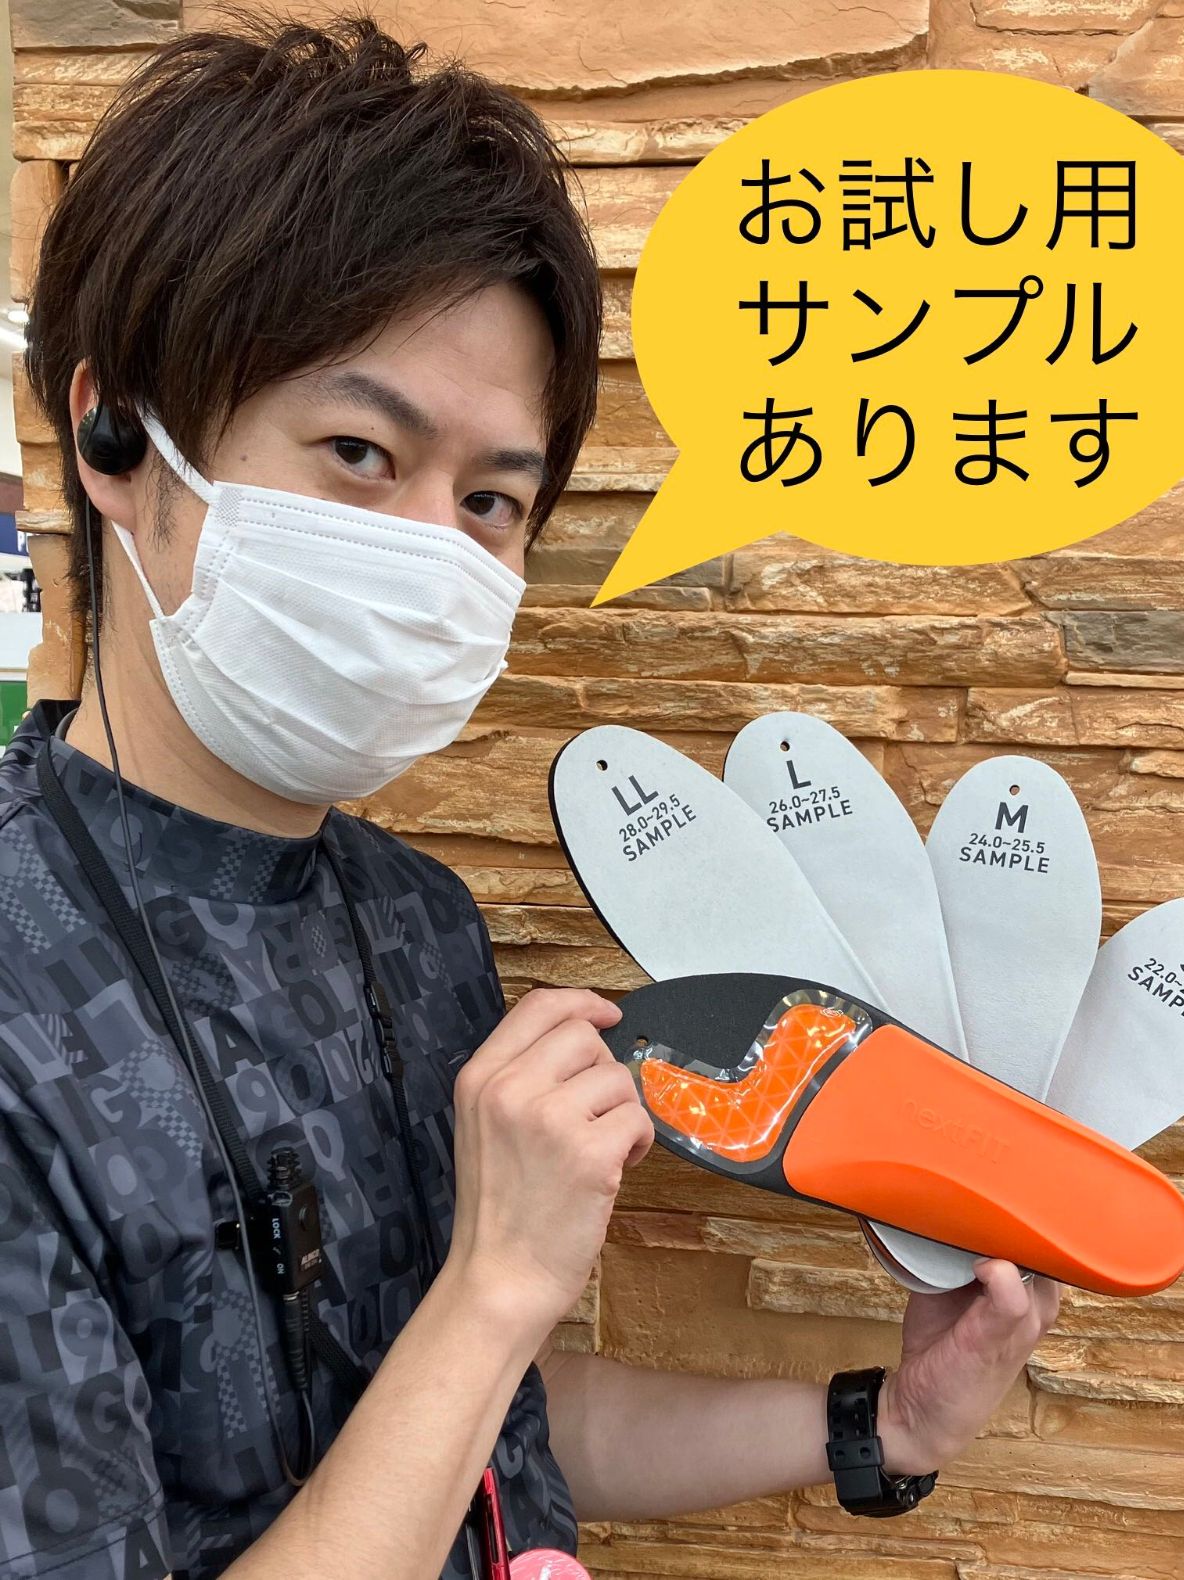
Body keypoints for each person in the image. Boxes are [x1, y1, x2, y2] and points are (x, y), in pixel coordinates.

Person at [2, 15, 1060, 1580]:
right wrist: (497, 1283)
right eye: (362, 452)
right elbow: (480, 1328)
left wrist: (882, 1426)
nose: (436, 552)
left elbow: (486, 1422)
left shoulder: (416, 919)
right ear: (115, 434)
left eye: (491, 498)